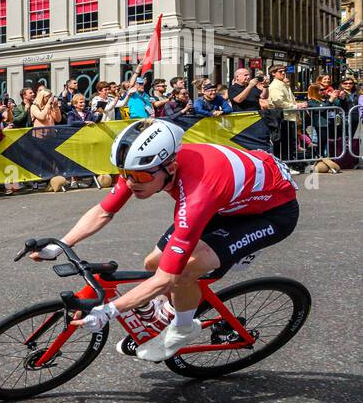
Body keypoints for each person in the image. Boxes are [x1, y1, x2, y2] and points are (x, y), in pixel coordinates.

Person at [33, 119, 298, 362]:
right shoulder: (146, 166)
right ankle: (169, 308)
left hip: (270, 215)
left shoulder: (196, 192)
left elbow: (167, 277)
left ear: (170, 167)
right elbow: (104, 211)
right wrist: (60, 244)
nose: (130, 183)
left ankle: (183, 327)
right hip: (227, 203)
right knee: (152, 263)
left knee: (181, 272)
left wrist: (108, 311)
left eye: (140, 177)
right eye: (124, 174)